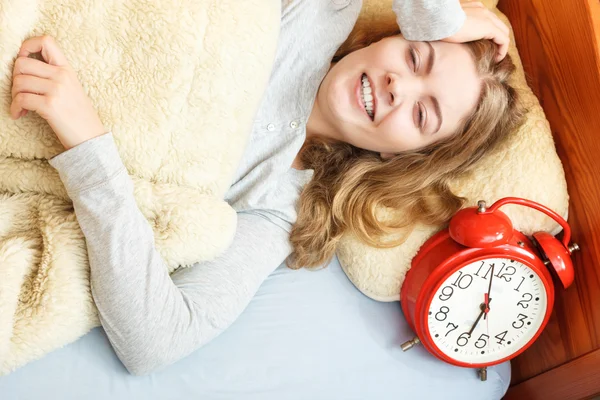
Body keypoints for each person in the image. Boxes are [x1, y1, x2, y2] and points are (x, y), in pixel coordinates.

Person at [8, 1, 521, 375]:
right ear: (393, 34)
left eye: (421, 113)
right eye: (415, 58)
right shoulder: (323, 13)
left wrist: (88, 148)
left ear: (402, 157)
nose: (398, 87)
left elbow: (155, 341)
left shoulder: (282, 205)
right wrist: (437, 17)